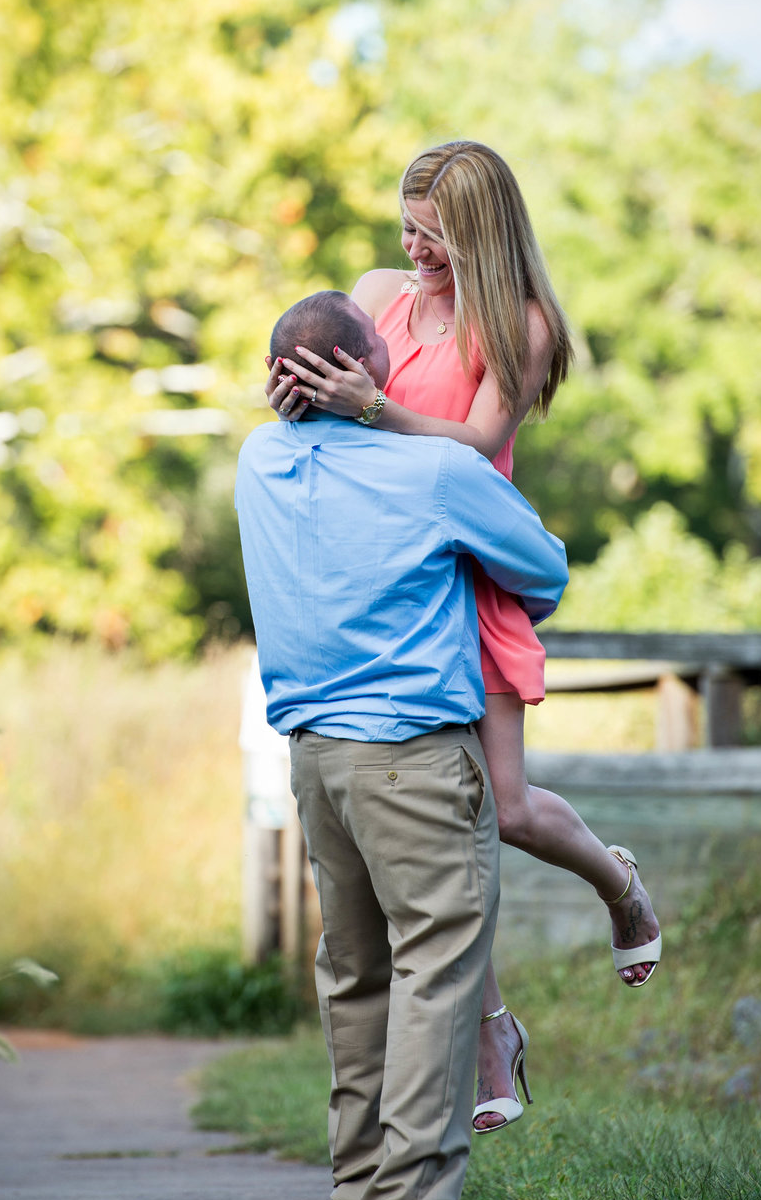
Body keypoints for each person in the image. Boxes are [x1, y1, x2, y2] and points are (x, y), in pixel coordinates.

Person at [268, 140, 661, 1134]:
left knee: (512, 810)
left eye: (433, 238)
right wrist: (295, 398)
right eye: (406, 229)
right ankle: (491, 1029)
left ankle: (620, 887)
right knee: (447, 833)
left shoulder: (520, 326)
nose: (412, 251)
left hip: (470, 580)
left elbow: (481, 446)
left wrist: (376, 408)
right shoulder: (376, 293)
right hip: (390, 589)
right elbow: (328, 417)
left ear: (482, 235)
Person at [237, 287, 568, 1200]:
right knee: (437, 964)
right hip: (415, 753)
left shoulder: (258, 461)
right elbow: (542, 570)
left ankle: (355, 1197)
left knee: (356, 974)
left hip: (315, 759)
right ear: (367, 367)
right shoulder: (429, 470)